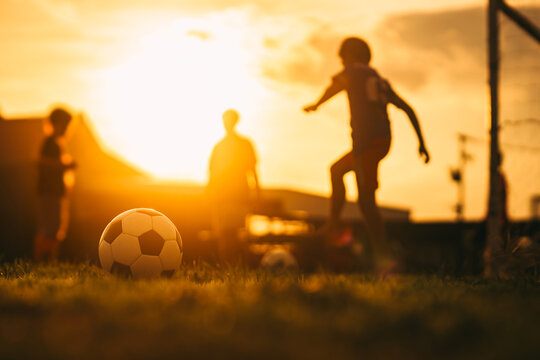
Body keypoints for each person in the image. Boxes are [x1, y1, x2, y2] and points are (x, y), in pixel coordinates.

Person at [303, 37, 430, 274]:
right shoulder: (379, 80)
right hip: (374, 145)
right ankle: (334, 224)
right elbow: (408, 109)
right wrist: (421, 143)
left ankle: (384, 259)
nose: (341, 62)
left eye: (342, 57)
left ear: (351, 56)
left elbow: (336, 85)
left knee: (367, 202)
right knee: (337, 170)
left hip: (369, 145)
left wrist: (317, 103)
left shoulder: (354, 72)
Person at [207, 109, 260, 264]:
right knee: (223, 234)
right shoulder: (218, 146)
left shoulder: (245, 144)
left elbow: (253, 170)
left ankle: (237, 267)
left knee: (237, 233)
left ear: (235, 121)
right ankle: (225, 267)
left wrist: (257, 193)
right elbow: (212, 173)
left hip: (239, 196)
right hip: (222, 196)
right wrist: (210, 193)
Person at [34, 107, 76, 261]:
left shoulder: (57, 144)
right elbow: (42, 163)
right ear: (56, 124)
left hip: (56, 193)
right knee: (49, 229)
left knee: (56, 229)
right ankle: (42, 262)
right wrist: (64, 166)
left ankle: (51, 261)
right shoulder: (49, 143)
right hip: (49, 193)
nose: (67, 129)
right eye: (65, 125)